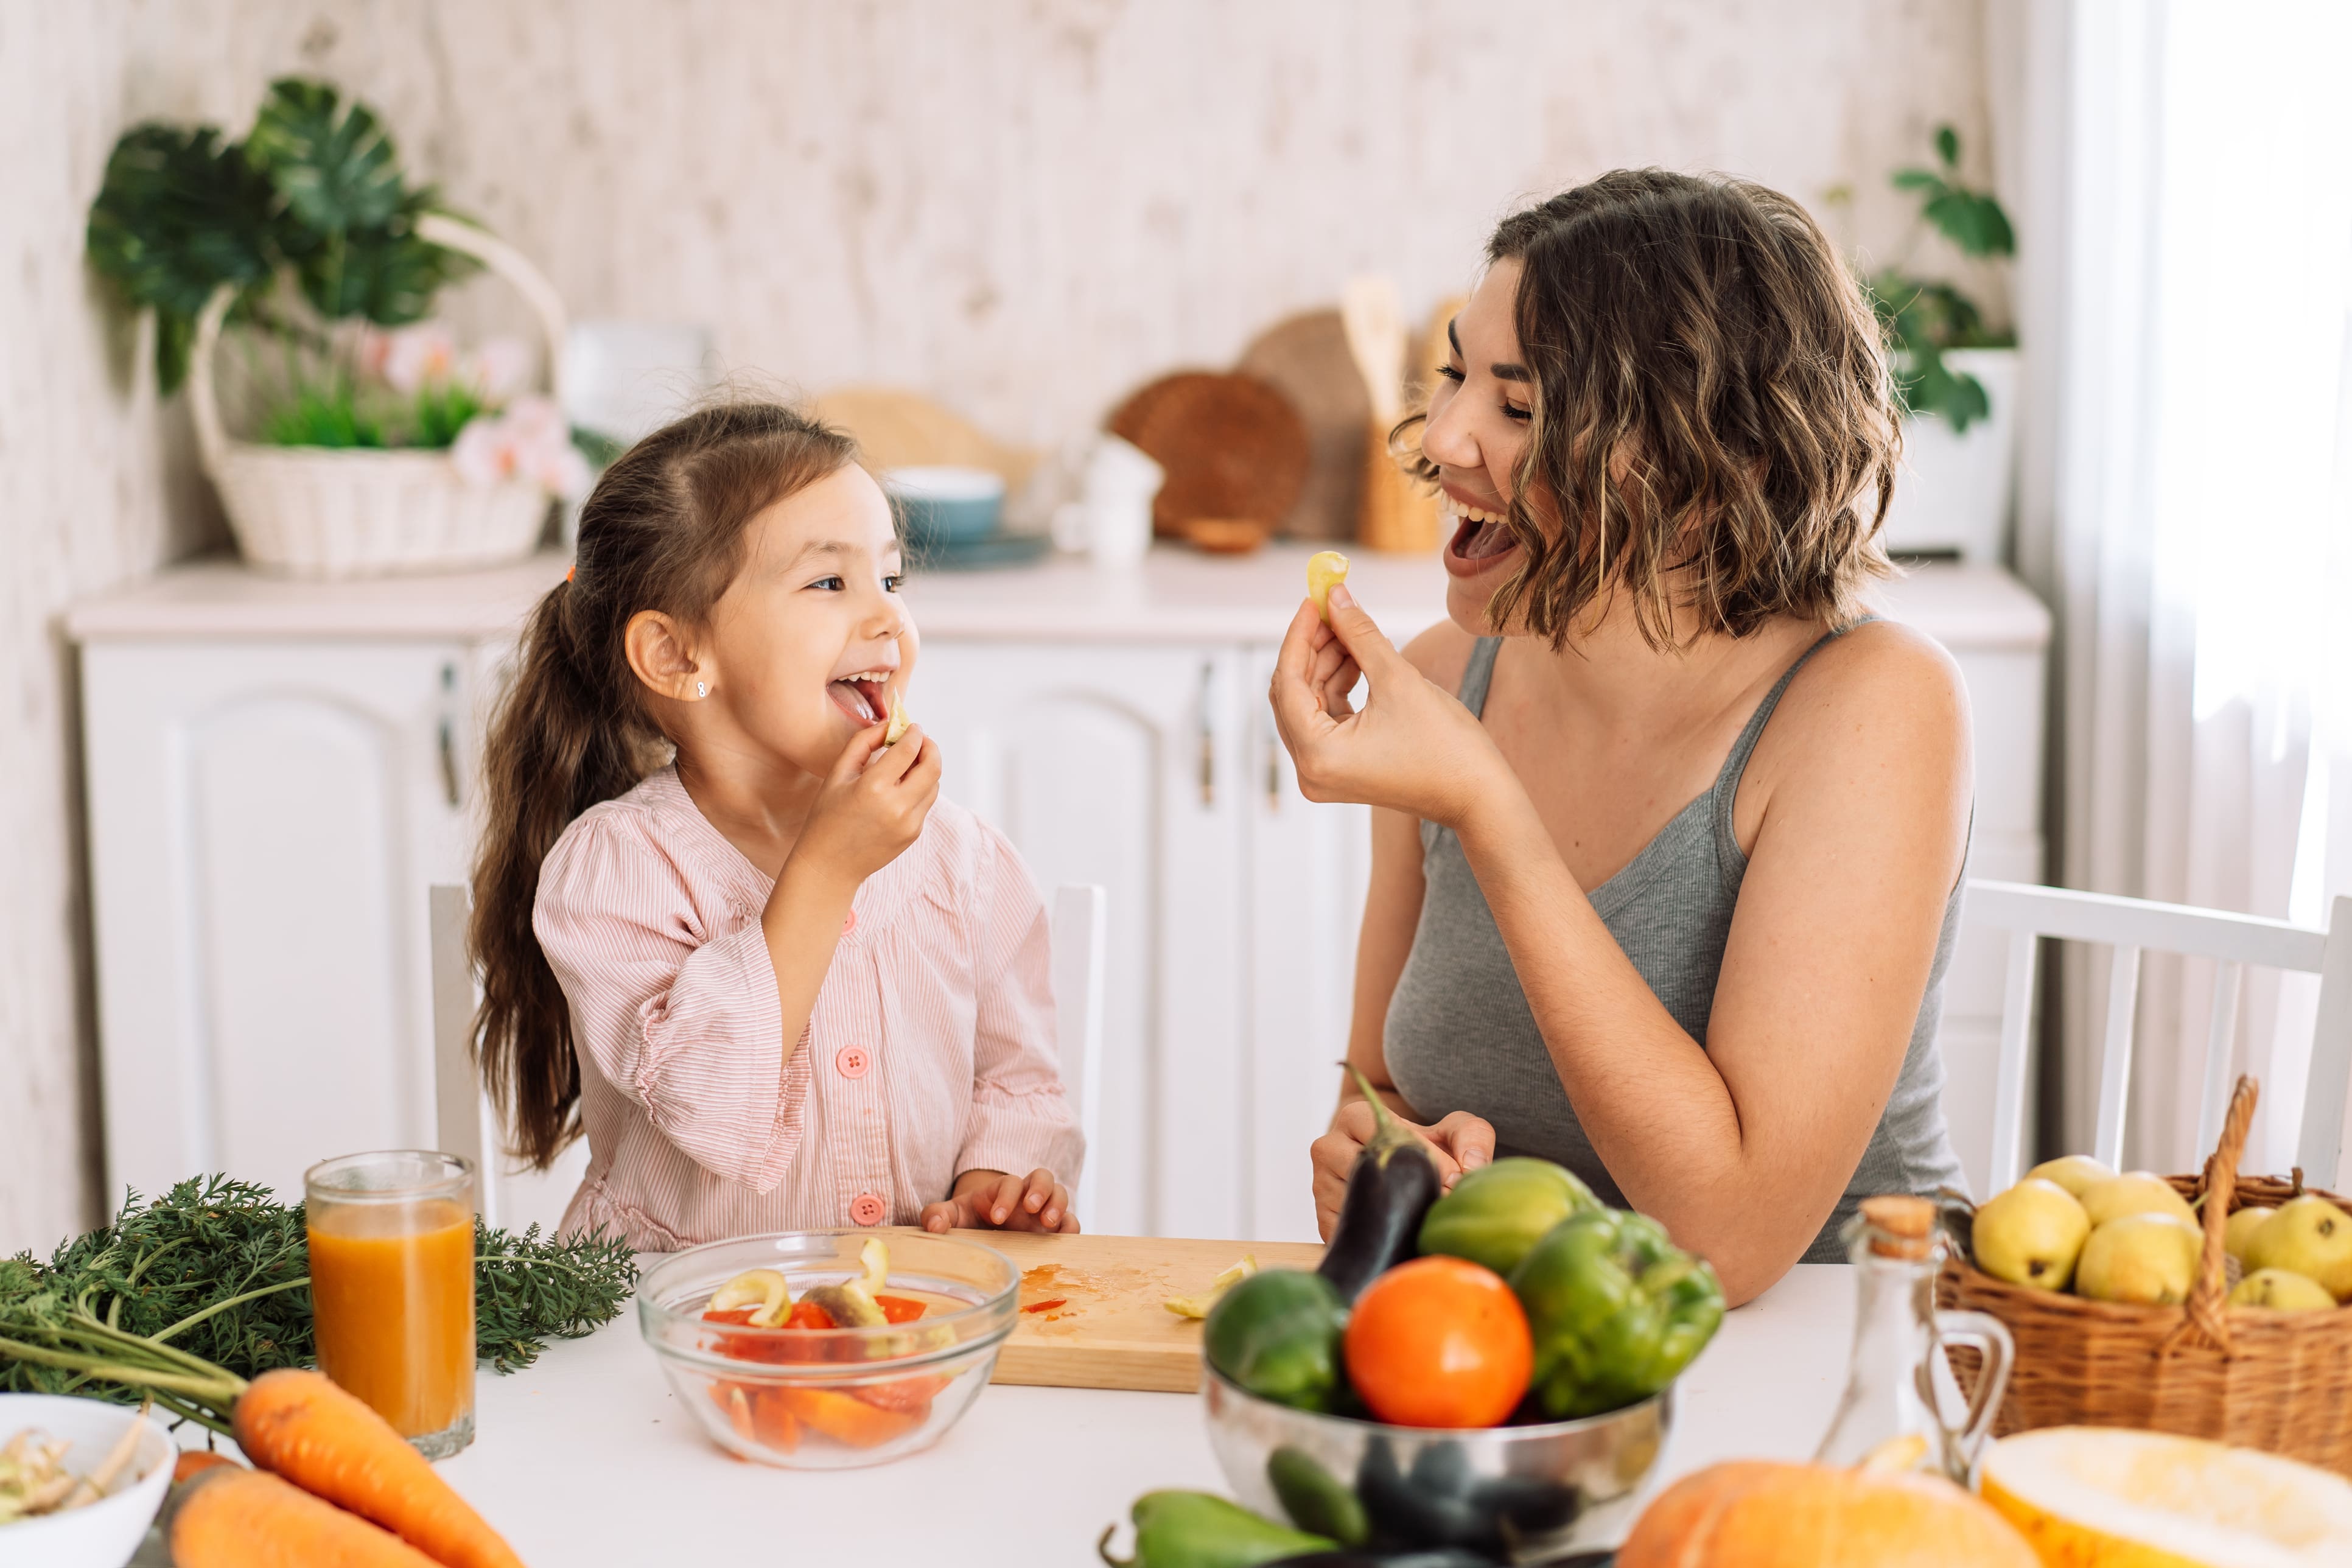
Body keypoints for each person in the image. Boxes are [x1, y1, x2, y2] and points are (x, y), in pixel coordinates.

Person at [1272, 170, 1971, 1305]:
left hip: (1840, 1356)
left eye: (1521, 404)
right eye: (1457, 374)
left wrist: (1490, 811)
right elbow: (1384, 1090)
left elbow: (1729, 1243)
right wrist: (1375, 1156)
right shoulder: (1449, 678)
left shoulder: (1872, 705)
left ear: (1713, 455)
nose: (1444, 438)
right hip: (1535, 1349)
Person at [469, 402, 1082, 1251]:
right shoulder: (615, 869)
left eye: (892, 580)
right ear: (679, 656)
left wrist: (994, 1183)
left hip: (916, 1317)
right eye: (829, 583)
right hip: (660, 1324)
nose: (886, 622)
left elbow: (1016, 1083)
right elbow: (712, 1102)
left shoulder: (962, 859)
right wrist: (827, 872)